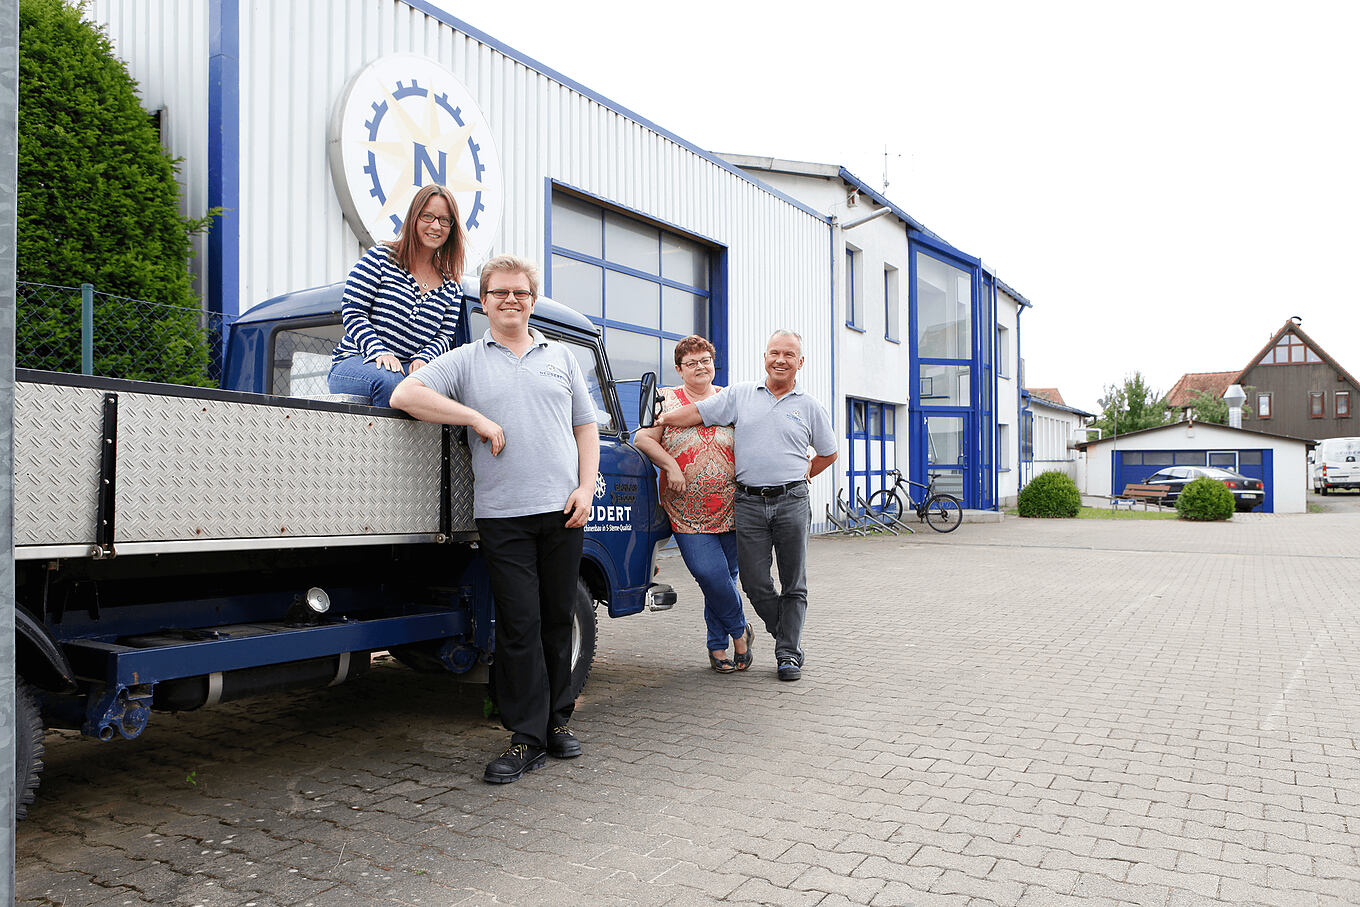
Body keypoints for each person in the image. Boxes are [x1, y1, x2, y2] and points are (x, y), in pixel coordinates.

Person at [389, 254, 599, 784]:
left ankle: (557, 721)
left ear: (532, 301)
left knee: (557, 618)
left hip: (563, 511)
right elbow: (405, 393)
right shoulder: (465, 361)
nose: (511, 301)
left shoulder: (563, 358)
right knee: (519, 624)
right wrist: (475, 417)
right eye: (500, 293)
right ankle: (525, 737)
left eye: (520, 293)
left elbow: (585, 428)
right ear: (483, 303)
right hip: (503, 516)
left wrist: (585, 489)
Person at [657, 330, 836, 682]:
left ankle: (787, 654)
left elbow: (828, 453)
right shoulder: (740, 395)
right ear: (765, 357)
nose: (780, 360)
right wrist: (662, 420)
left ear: (800, 362)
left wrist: (804, 475)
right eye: (774, 353)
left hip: (792, 501)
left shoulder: (810, 405)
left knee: (793, 582)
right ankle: (785, 634)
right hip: (749, 503)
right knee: (755, 583)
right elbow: (697, 412)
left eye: (788, 354)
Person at [634, 336, 752, 674]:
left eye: (705, 360)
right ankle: (740, 632)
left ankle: (717, 646)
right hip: (686, 512)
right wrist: (670, 464)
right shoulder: (666, 400)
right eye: (692, 362)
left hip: (732, 507)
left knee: (725, 578)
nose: (700, 367)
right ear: (678, 369)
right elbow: (642, 438)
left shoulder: (731, 398)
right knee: (708, 573)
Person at [327, 184, 466, 406]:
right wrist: (378, 351)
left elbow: (444, 336)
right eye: (427, 216)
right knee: (391, 382)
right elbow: (353, 311)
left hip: (405, 370)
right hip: (357, 361)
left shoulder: (452, 285)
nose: (435, 226)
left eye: (444, 220)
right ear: (414, 218)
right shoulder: (381, 258)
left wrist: (423, 358)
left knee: (445, 392)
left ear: (452, 227)